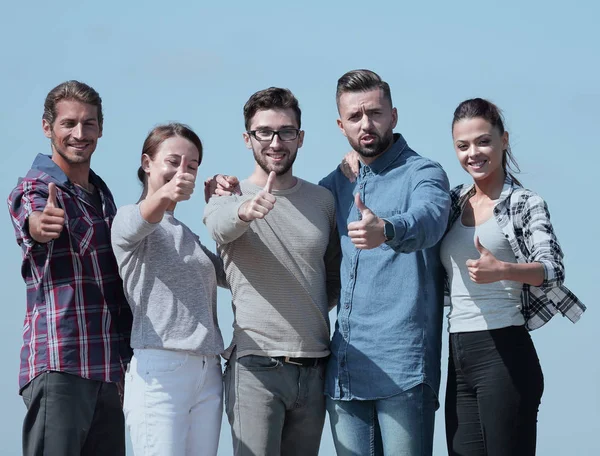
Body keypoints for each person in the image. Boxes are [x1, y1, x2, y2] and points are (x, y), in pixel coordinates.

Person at [441, 98, 586, 456]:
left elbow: (552, 269)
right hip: (458, 355)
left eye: (483, 141)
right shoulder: (451, 202)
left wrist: (503, 270)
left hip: (503, 353)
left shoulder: (524, 202)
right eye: (463, 146)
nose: (473, 153)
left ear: (504, 140)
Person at [203, 87, 341, 456]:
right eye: (264, 132)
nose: (276, 142)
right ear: (248, 139)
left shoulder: (323, 201)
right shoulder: (227, 196)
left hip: (315, 366)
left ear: (301, 137)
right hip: (254, 365)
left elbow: (331, 278)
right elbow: (218, 226)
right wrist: (244, 211)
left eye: (286, 131)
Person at [322, 69, 451, 456]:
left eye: (376, 113)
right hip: (343, 370)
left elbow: (430, 219)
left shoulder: (423, 173)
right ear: (340, 124)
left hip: (403, 367)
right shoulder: (334, 184)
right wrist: (236, 191)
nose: (366, 124)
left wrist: (389, 230)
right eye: (355, 117)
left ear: (393, 116)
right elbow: (290, 214)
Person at [7, 80, 133, 456]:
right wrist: (39, 227)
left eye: (89, 124)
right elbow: (31, 218)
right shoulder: (37, 187)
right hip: (61, 364)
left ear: (100, 128)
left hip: (110, 371)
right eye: (68, 124)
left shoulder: (102, 193)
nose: (80, 134)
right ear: (48, 128)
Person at [110, 123, 226, 455]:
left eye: (191, 166)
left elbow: (231, 275)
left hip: (208, 370)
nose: (182, 172)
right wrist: (165, 193)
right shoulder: (128, 218)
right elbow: (141, 221)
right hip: (161, 372)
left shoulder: (187, 234)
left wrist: (224, 208)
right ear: (147, 163)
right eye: (173, 161)